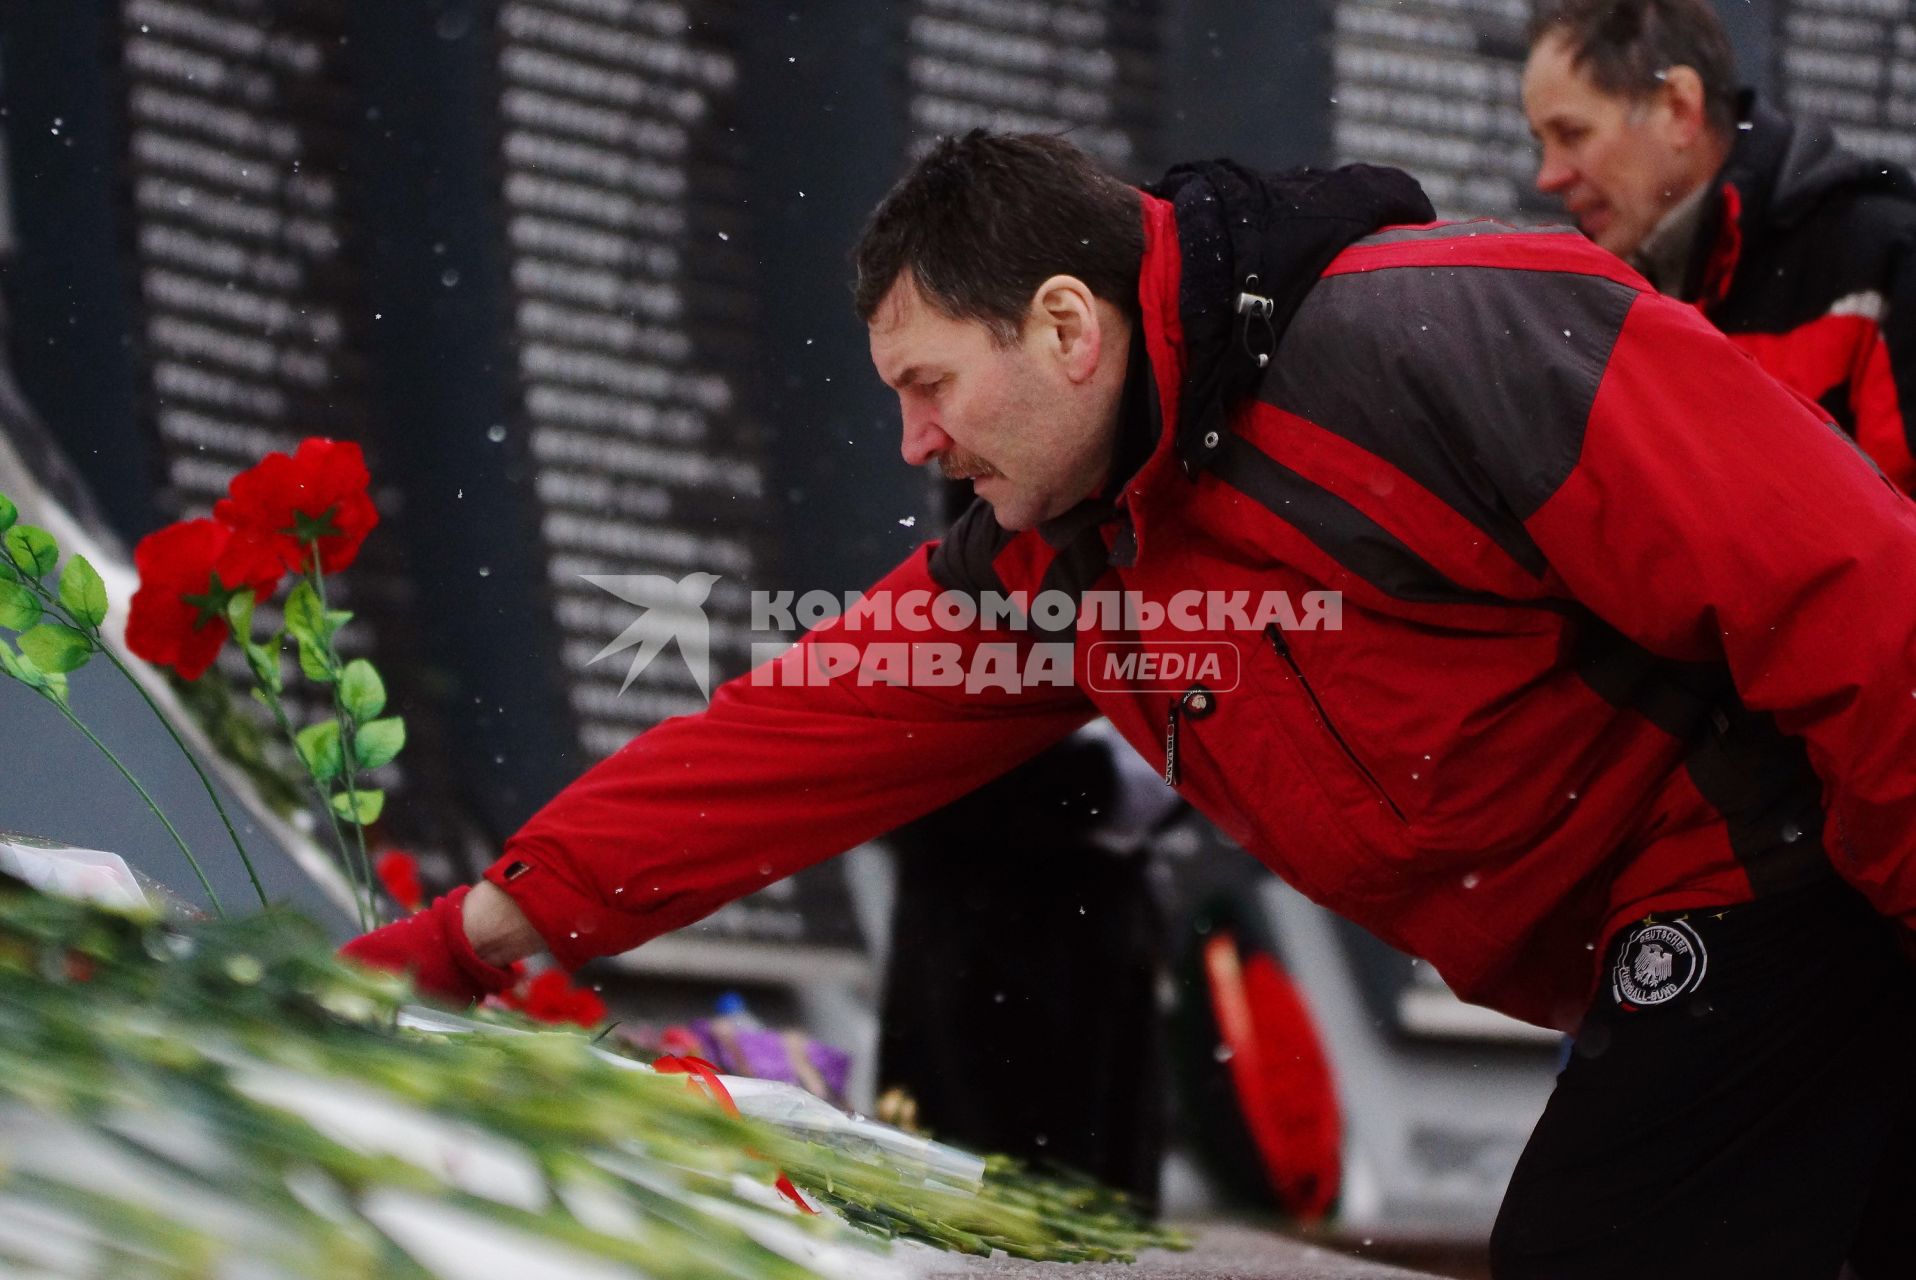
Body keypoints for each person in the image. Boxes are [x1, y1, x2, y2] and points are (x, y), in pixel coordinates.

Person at [344, 130, 1916, 1276]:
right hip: (1658, 957)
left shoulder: (1444, 331)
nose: (913, 445)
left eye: (928, 387)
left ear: (1068, 327)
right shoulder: (1069, 555)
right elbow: (784, 745)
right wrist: (481, 934)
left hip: (1801, 881)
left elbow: (1847, 588)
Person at [1524, 0, 1916, 492]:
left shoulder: (1880, 261)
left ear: (1679, 108)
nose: (1547, 177)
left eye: (1572, 134)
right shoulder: (1577, 308)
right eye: (1541, 142)